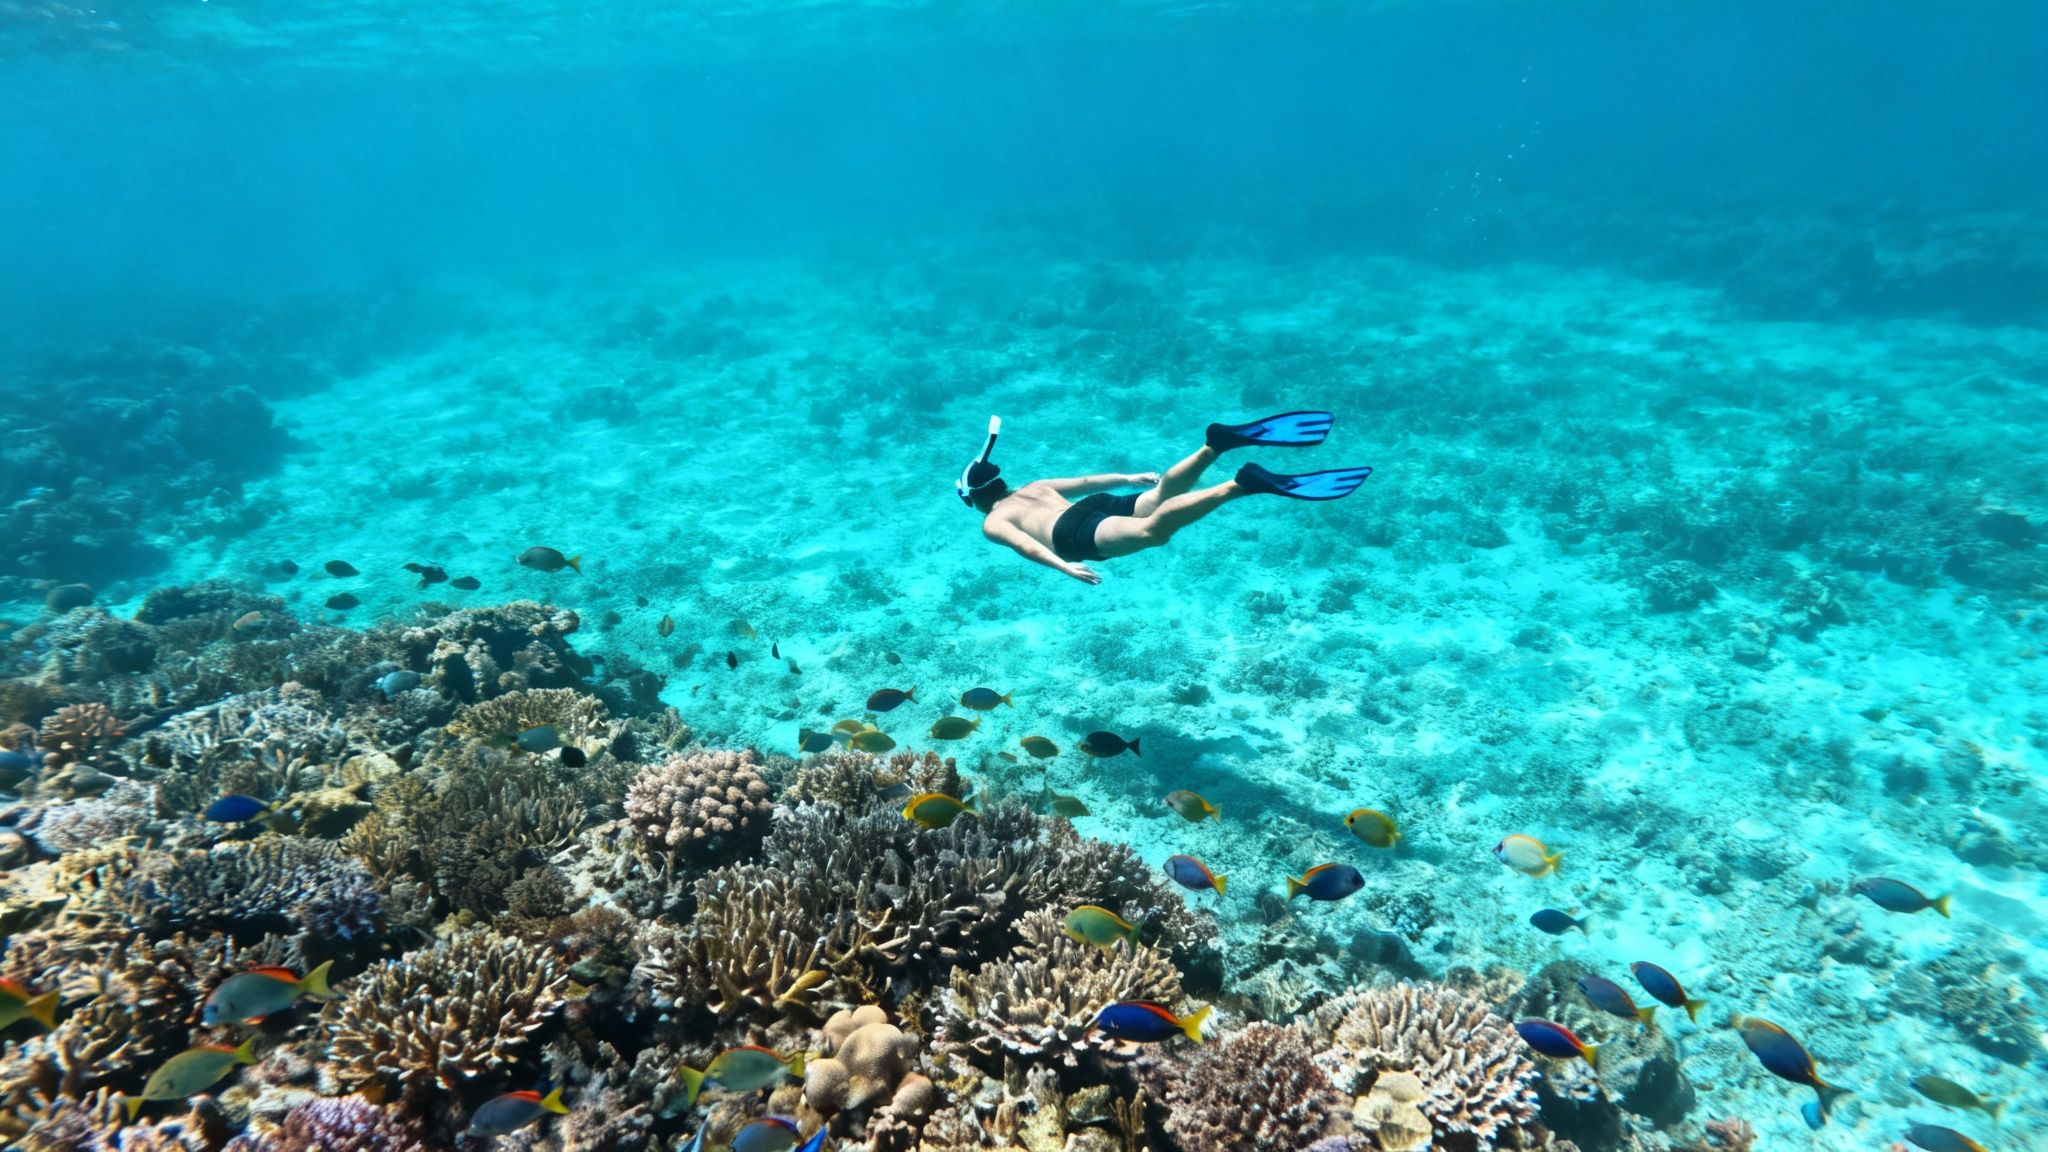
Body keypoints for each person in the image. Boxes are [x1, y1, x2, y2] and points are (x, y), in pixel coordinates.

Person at [958, 412, 1371, 584]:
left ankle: (1242, 484)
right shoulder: (1034, 485)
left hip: (1075, 533)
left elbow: (1027, 545)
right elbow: (1086, 481)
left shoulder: (992, 522)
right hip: (1092, 508)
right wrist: (1129, 477)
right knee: (1159, 496)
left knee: (1154, 532)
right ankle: (1215, 446)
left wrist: (1064, 566)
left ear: (974, 499)